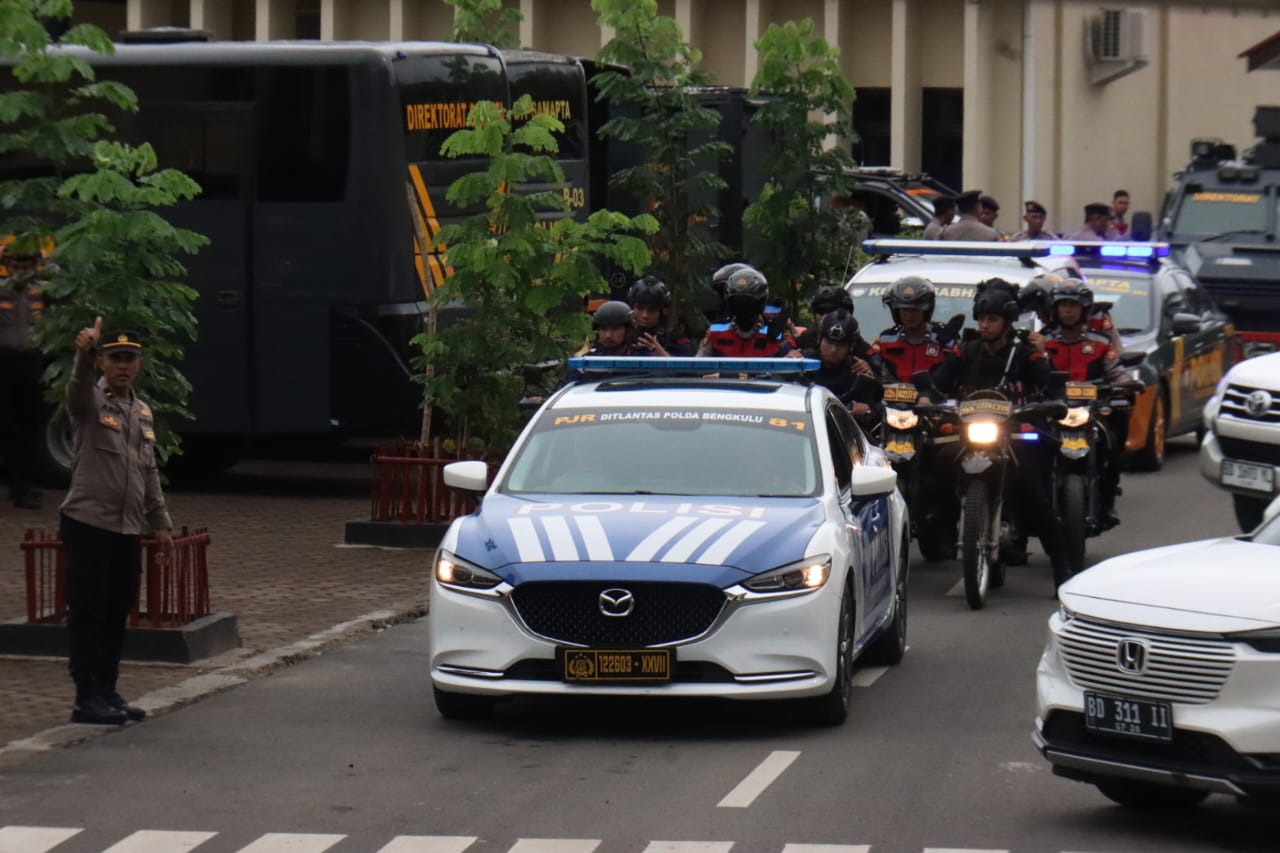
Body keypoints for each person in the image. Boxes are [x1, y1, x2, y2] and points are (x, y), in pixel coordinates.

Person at [61, 320, 174, 725]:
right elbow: (74, 391)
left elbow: (148, 472)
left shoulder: (141, 412)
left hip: (126, 528)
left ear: (138, 364)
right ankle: (85, 697)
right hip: (88, 523)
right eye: (115, 359)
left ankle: (107, 690)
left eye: (129, 359)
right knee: (88, 611)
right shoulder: (91, 403)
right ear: (105, 363)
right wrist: (84, 354)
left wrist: (159, 521)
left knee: (116, 610)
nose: (122, 366)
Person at [926, 279, 1070, 578]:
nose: (985, 325)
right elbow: (937, 382)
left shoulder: (1025, 354)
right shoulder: (965, 352)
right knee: (938, 459)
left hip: (1015, 432)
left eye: (992, 319)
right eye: (981, 319)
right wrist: (926, 397)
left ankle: (1061, 565)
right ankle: (940, 529)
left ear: (1007, 322)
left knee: (1034, 490)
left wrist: (1052, 400)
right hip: (971, 432)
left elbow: (1049, 384)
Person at [1041, 279, 1129, 527]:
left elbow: (1116, 371)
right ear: (1055, 309)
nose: (1068, 310)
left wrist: (1126, 384)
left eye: (1074, 305)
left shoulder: (1100, 342)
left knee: (1111, 444)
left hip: (1090, 411)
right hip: (1051, 412)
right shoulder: (1042, 341)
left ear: (1084, 308)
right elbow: (1031, 373)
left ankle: (1107, 502)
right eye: (1063, 304)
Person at [0, 246, 46, 509]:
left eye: (26, 266)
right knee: (7, 426)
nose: (20, 272)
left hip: (31, 362)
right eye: (15, 266)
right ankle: (18, 487)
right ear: (8, 267)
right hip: (3, 363)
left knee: (29, 423)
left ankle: (23, 485)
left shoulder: (40, 292)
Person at [874, 276, 960, 382]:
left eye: (915, 310)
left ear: (926, 310)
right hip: (890, 397)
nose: (909, 316)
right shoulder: (886, 339)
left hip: (936, 397)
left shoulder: (945, 340)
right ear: (896, 311)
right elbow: (866, 359)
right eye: (904, 310)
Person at [803, 310, 881, 420]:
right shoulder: (802, 363)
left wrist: (865, 408)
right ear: (819, 339)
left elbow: (877, 406)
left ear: (851, 347)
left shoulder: (858, 371)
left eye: (840, 345)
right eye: (829, 342)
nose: (833, 350)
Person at [698, 268, 792, 357]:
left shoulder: (774, 333)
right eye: (737, 303)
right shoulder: (716, 330)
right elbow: (699, 365)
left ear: (760, 303)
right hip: (725, 374)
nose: (743, 309)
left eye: (748, 303)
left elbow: (789, 367)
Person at [627, 275, 692, 357]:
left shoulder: (676, 340)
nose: (645, 315)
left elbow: (688, 368)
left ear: (661, 312)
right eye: (640, 308)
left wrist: (661, 355)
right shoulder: (623, 337)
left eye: (651, 310)